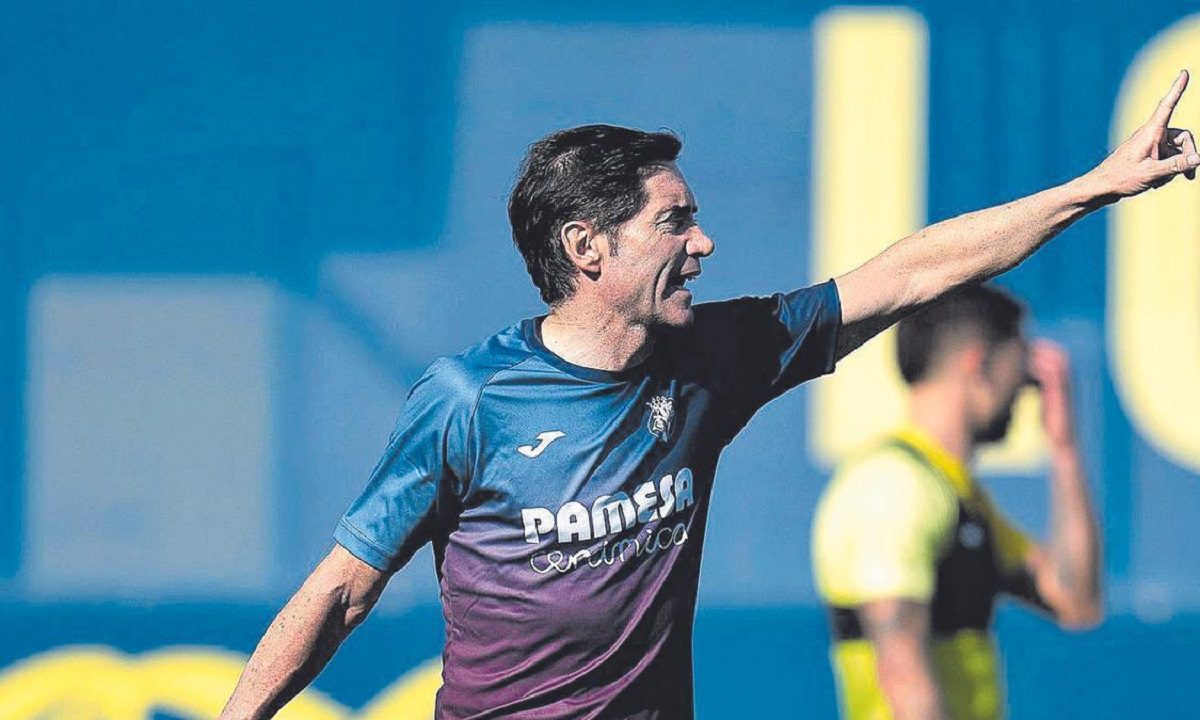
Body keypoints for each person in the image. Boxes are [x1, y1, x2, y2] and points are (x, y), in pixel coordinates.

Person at [219, 71, 1197, 720]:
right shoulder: (468, 400)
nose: (704, 243)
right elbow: (341, 592)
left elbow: (908, 274)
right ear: (586, 247)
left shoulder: (715, 358)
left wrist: (1093, 188)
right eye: (674, 222)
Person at [811, 284, 1101, 720]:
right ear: (979, 364)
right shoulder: (892, 488)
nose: (1026, 389)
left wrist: (1064, 448)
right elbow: (903, 677)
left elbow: (1076, 599)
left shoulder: (951, 491)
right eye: (1020, 365)